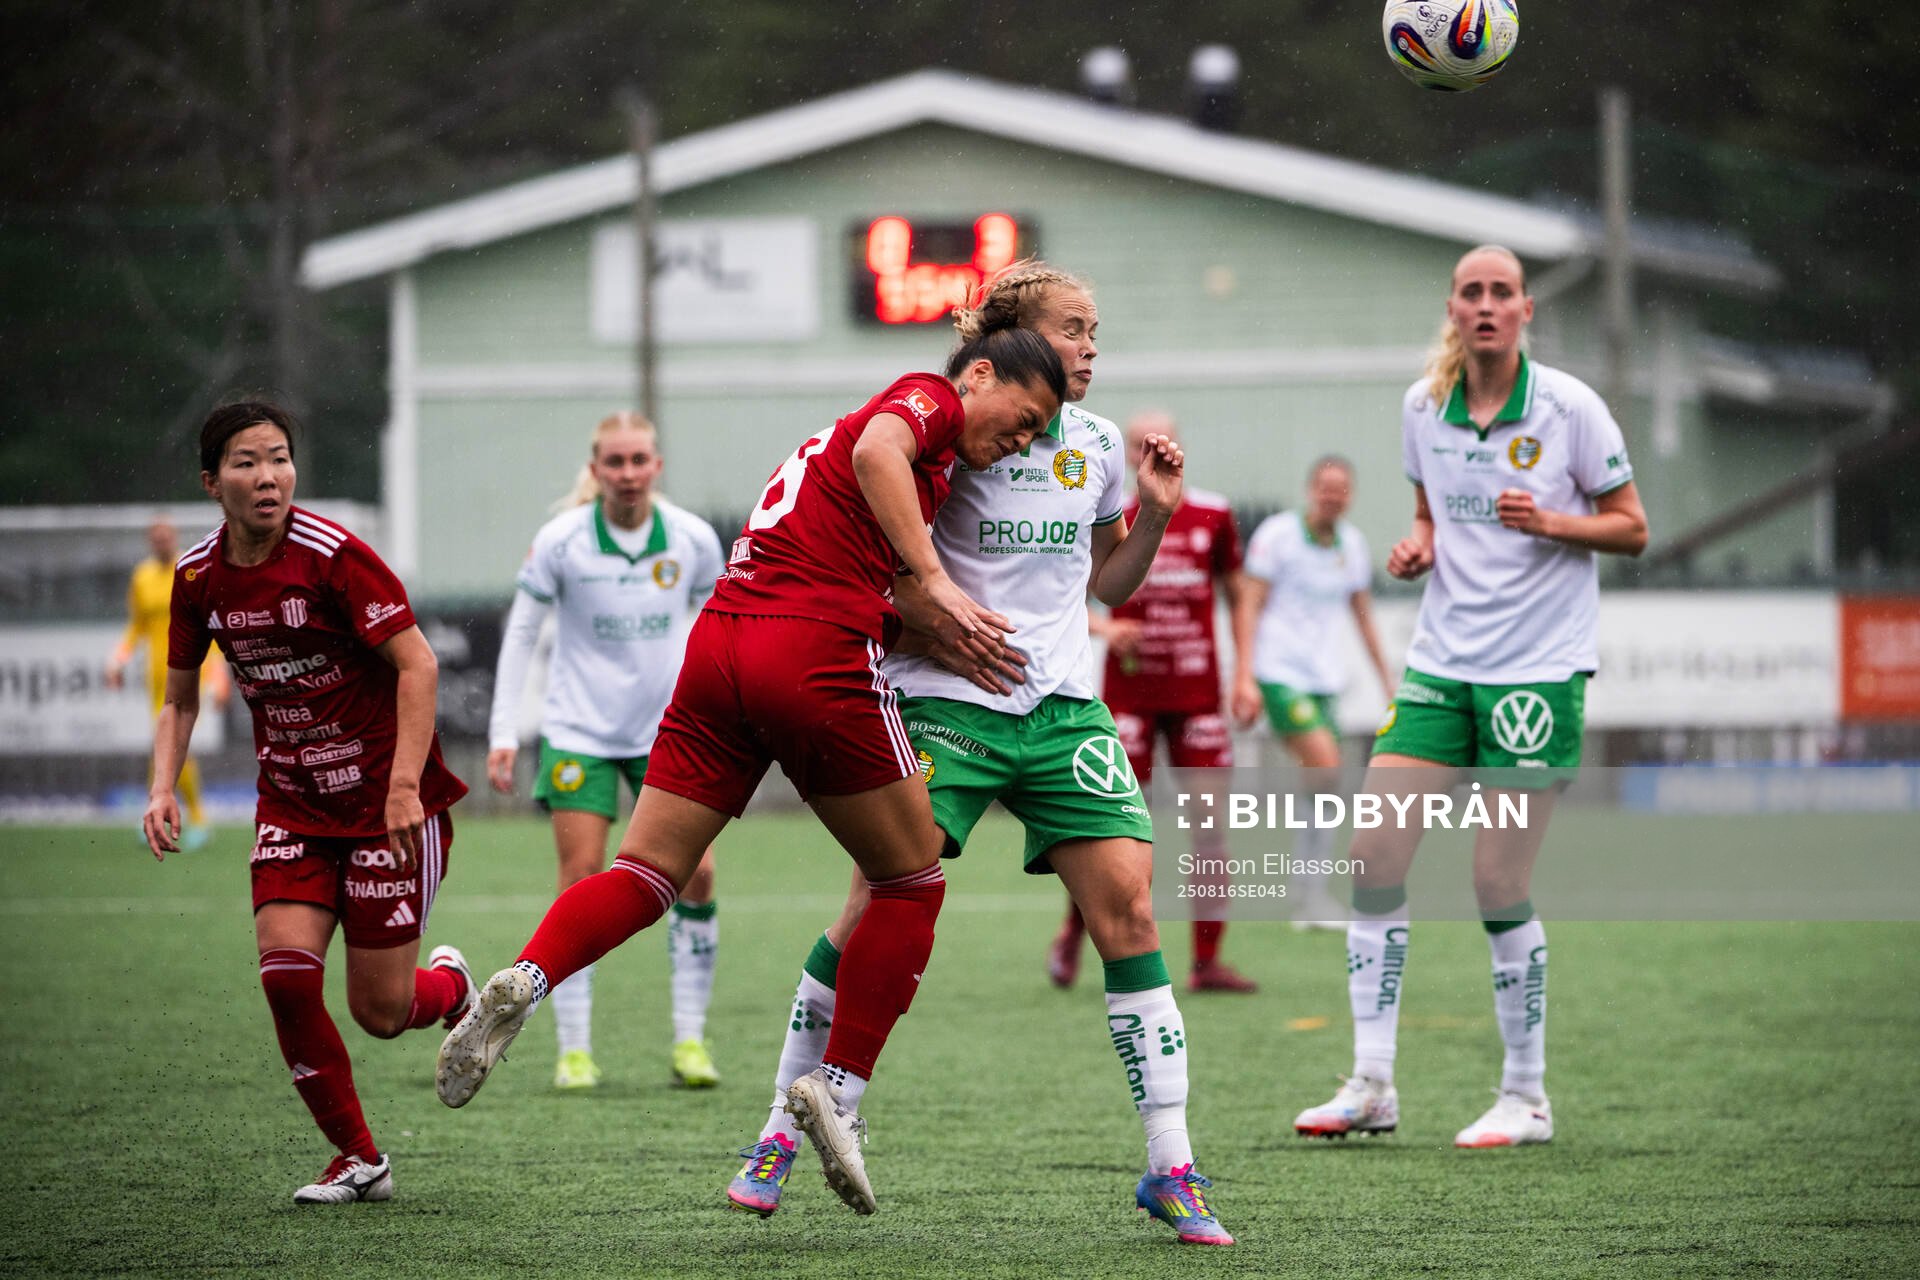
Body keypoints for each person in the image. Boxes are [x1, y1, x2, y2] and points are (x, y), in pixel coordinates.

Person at [439, 325, 1066, 1218]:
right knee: (911, 880)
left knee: (646, 871)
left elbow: (841, 559)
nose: (1024, 441)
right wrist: (940, 582)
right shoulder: (923, 404)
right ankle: (834, 1089)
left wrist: (932, 633)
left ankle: (527, 979)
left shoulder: (896, 451)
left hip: (722, 647)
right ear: (977, 374)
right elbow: (883, 455)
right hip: (809, 655)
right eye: (1024, 417)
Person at [724, 264, 1234, 1246]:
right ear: (1011, 340)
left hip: (1061, 711)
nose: (1090, 347)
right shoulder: (945, 432)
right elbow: (876, 558)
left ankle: (1171, 1164)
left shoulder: (1091, 442)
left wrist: (1160, 510)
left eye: (1097, 332)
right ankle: (783, 1130)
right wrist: (923, 613)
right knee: (878, 896)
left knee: (1129, 906)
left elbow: (1108, 587)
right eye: (1074, 328)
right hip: (946, 704)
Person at [1291, 245, 1646, 1148]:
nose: (1486, 305)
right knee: (1372, 855)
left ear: (1526, 309)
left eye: (1501, 293)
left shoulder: (1571, 408)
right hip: (1442, 665)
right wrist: (1418, 547)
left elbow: (1633, 528)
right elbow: (1429, 517)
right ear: (1452, 310)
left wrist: (1555, 521)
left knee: (1495, 880)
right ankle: (1372, 1084)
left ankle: (1526, 1096)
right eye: (1471, 293)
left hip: (1538, 671)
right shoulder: (1422, 408)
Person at [143, 399, 474, 1204]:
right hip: (292, 807)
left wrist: (401, 787)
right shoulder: (196, 578)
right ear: (211, 481)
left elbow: (418, 666)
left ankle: (451, 990)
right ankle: (360, 1159)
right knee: (287, 979)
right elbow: (180, 700)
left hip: (386, 806)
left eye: (280, 458)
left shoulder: (334, 557)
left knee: (382, 1013)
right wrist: (161, 785)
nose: (268, 477)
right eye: (248, 463)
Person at [486, 413, 726, 1091]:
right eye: (613, 462)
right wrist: (506, 729)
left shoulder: (693, 540)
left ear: (657, 466)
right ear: (595, 470)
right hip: (577, 733)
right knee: (584, 875)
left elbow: (716, 633)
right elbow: (523, 629)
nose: (626, 473)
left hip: (669, 735)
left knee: (698, 876)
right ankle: (575, 1049)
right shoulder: (561, 541)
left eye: (638, 460)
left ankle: (690, 1042)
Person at [1048, 411, 1258, 994]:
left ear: (1176, 448)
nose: (1146, 453)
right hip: (1129, 698)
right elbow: (1063, 592)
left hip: (1197, 695)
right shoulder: (1110, 516)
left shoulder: (1213, 516)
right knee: (1105, 832)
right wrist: (1106, 630)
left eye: (1155, 443)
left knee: (1211, 828)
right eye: (1136, 444)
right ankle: (1071, 936)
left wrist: (1246, 675)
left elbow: (1238, 593)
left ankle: (1207, 961)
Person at [1231, 456, 1395, 928]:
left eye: (1341, 488)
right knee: (1327, 768)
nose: (1332, 495)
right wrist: (1244, 673)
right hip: (1279, 673)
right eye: (1325, 487)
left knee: (1323, 785)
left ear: (1351, 495)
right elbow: (1250, 603)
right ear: (1310, 489)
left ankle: (1308, 893)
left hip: (1325, 681)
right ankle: (1308, 891)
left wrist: (1386, 678)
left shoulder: (1353, 545)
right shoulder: (1277, 536)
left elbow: (1362, 614)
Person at [107, 514, 232, 849]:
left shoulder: (190, 570)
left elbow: (211, 625)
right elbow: (136, 626)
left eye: (166, 536)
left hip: (191, 672)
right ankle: (160, 815)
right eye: (156, 537)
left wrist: (219, 675)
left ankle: (196, 818)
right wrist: (118, 658)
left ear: (173, 537)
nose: (161, 542)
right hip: (156, 676)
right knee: (164, 748)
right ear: (151, 541)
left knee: (174, 747)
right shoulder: (142, 577)